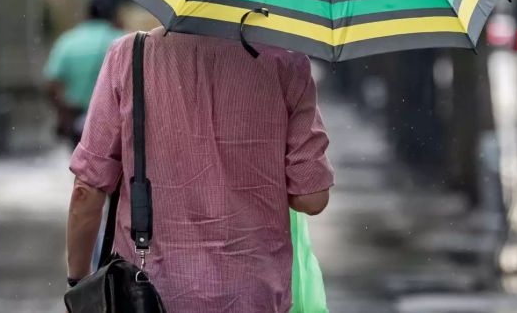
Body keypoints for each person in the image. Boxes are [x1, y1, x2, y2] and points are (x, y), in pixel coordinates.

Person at [65, 29, 334, 312]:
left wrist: (78, 280)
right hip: (254, 295)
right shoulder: (288, 62)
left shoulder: (130, 55)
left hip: (149, 295)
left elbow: (87, 190)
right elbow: (312, 198)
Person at [45, 0, 125, 146]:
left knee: (81, 165)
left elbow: (51, 83)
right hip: (112, 120)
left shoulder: (67, 41)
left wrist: (63, 113)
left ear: (88, 14)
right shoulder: (122, 40)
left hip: (76, 117)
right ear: (113, 15)